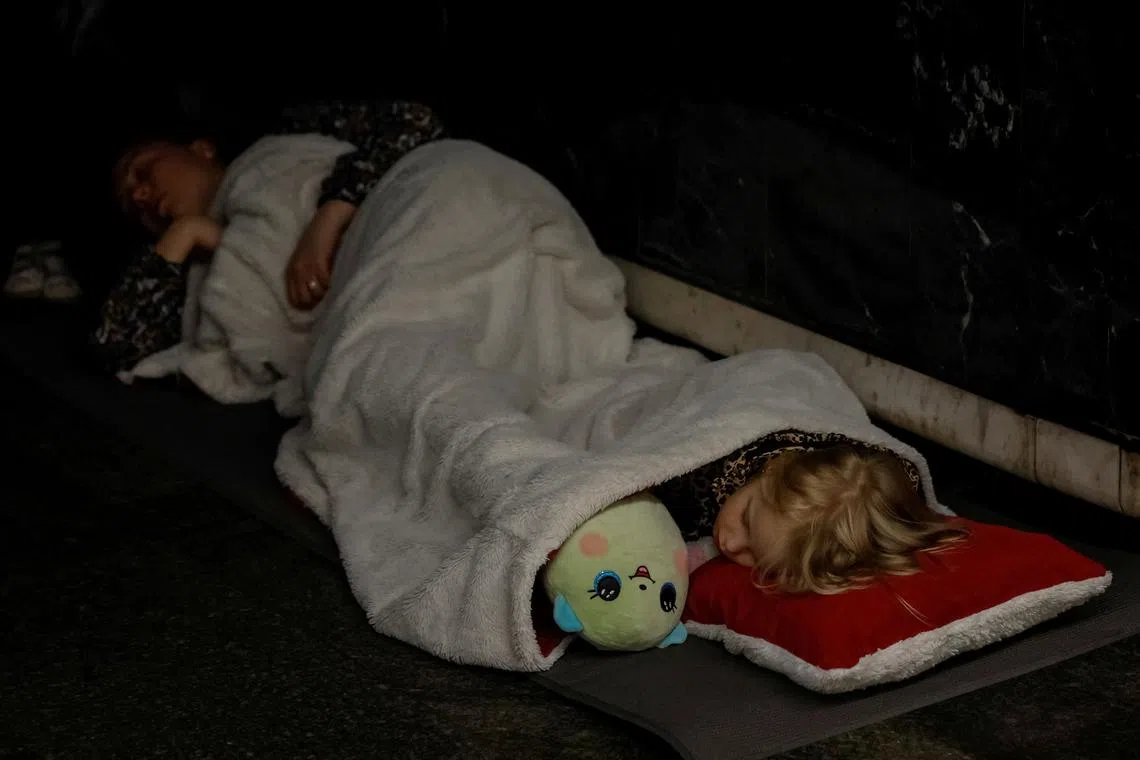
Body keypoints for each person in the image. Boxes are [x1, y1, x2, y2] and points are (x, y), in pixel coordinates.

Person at [92, 99, 446, 373]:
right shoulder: (193, 281)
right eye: (131, 205)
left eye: (143, 170)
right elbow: (113, 346)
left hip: (421, 223)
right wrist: (190, 234)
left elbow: (414, 122)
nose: (140, 196)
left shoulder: (285, 140)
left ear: (201, 149)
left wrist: (328, 217)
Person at [652, 431, 967, 594]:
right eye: (746, 518)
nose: (730, 544)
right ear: (771, 470)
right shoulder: (708, 475)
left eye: (758, 559)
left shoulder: (883, 499)